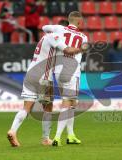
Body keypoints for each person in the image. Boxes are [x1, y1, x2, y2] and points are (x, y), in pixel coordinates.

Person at [7, 32, 86, 147]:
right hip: (43, 77)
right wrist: (82, 48)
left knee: (26, 107)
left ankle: (13, 130)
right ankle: (45, 139)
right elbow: (68, 51)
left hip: (30, 74)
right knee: (48, 107)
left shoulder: (43, 38)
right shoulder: (55, 37)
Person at [42, 11, 88, 147]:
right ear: (79, 22)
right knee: (68, 103)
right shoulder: (83, 37)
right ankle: (57, 137)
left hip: (58, 70)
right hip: (72, 70)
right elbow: (83, 49)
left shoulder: (59, 29)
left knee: (71, 103)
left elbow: (44, 27)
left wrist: (56, 30)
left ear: (69, 20)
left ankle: (71, 135)